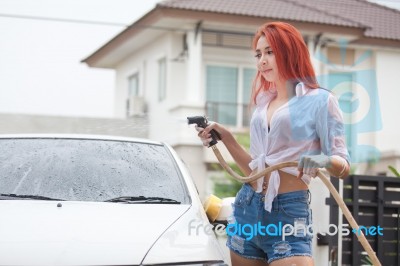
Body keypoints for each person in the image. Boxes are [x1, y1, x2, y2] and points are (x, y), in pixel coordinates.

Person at [195, 21, 350, 266]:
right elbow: (255, 172)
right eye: (258, 54)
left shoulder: (321, 100)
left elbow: (343, 166)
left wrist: (323, 159)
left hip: (288, 213)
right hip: (248, 207)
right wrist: (227, 138)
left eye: (270, 52)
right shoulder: (262, 104)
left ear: (290, 52)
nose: (262, 61)